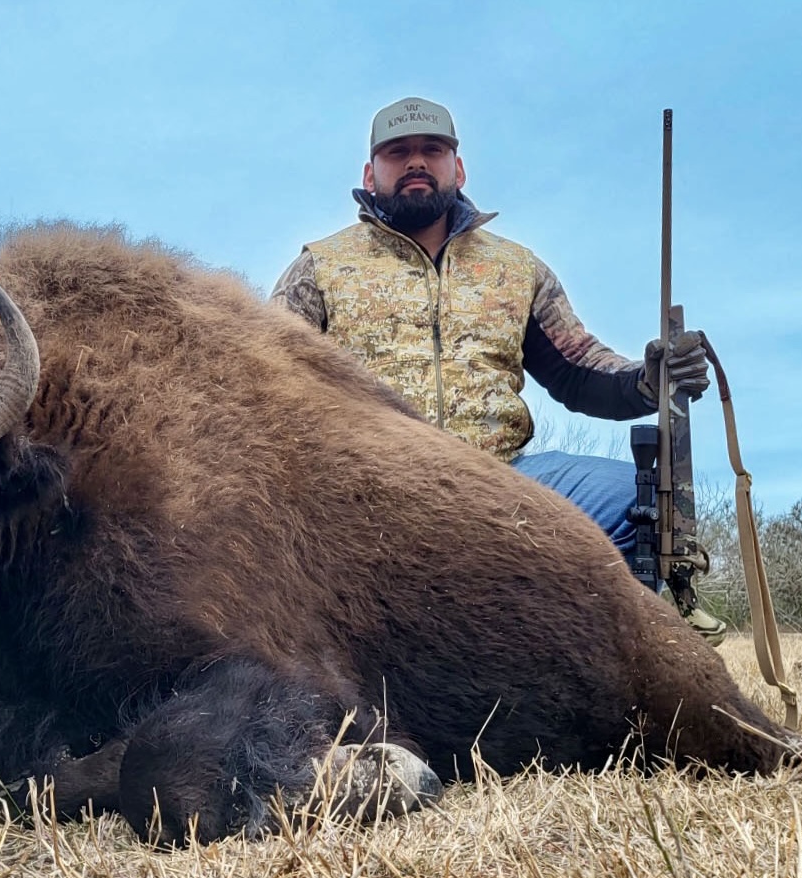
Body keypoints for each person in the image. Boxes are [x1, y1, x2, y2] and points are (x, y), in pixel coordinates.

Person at [271, 96, 726, 645]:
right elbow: (267, 379)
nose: (416, 161)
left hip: (502, 479)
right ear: (371, 174)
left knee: (643, 500)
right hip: (364, 492)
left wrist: (649, 379)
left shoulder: (516, 268)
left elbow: (578, 367)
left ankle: (622, 668)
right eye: (398, 152)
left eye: (432, 149)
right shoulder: (319, 266)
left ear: (457, 168)